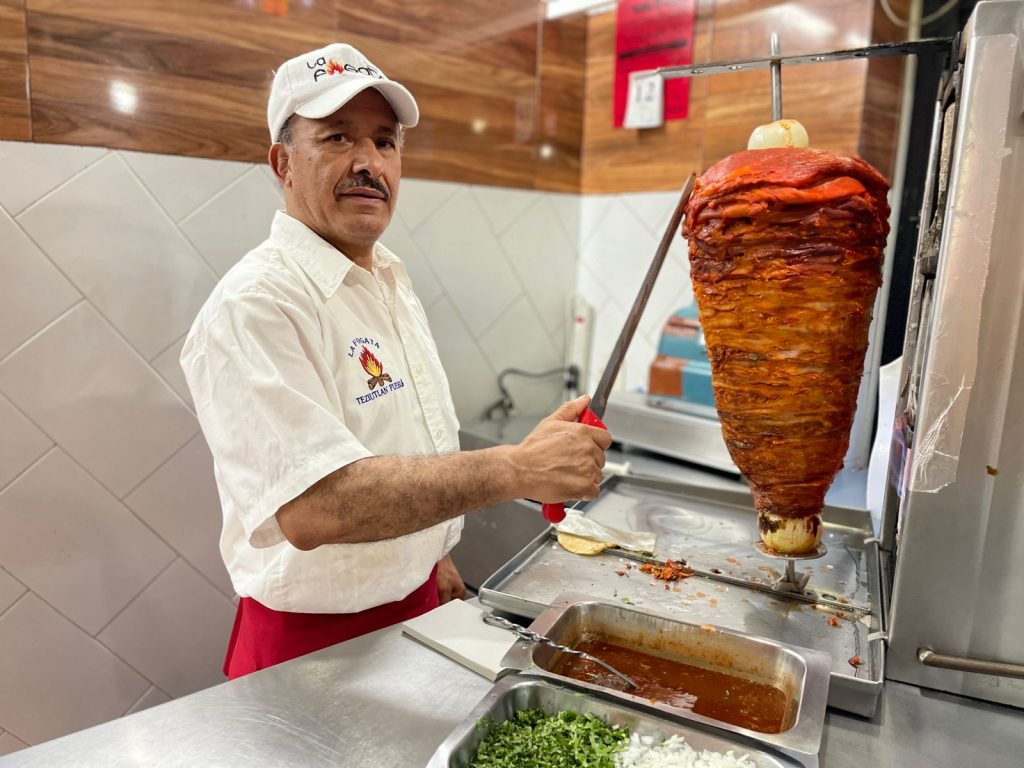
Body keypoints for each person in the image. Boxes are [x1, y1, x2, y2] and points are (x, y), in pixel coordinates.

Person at [181, 43, 611, 679]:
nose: (368, 163)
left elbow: (399, 442)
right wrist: (517, 468)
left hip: (415, 611)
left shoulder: (386, 279)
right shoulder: (255, 305)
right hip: (308, 653)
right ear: (283, 163)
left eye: (385, 142)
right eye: (336, 138)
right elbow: (316, 506)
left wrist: (433, 557)